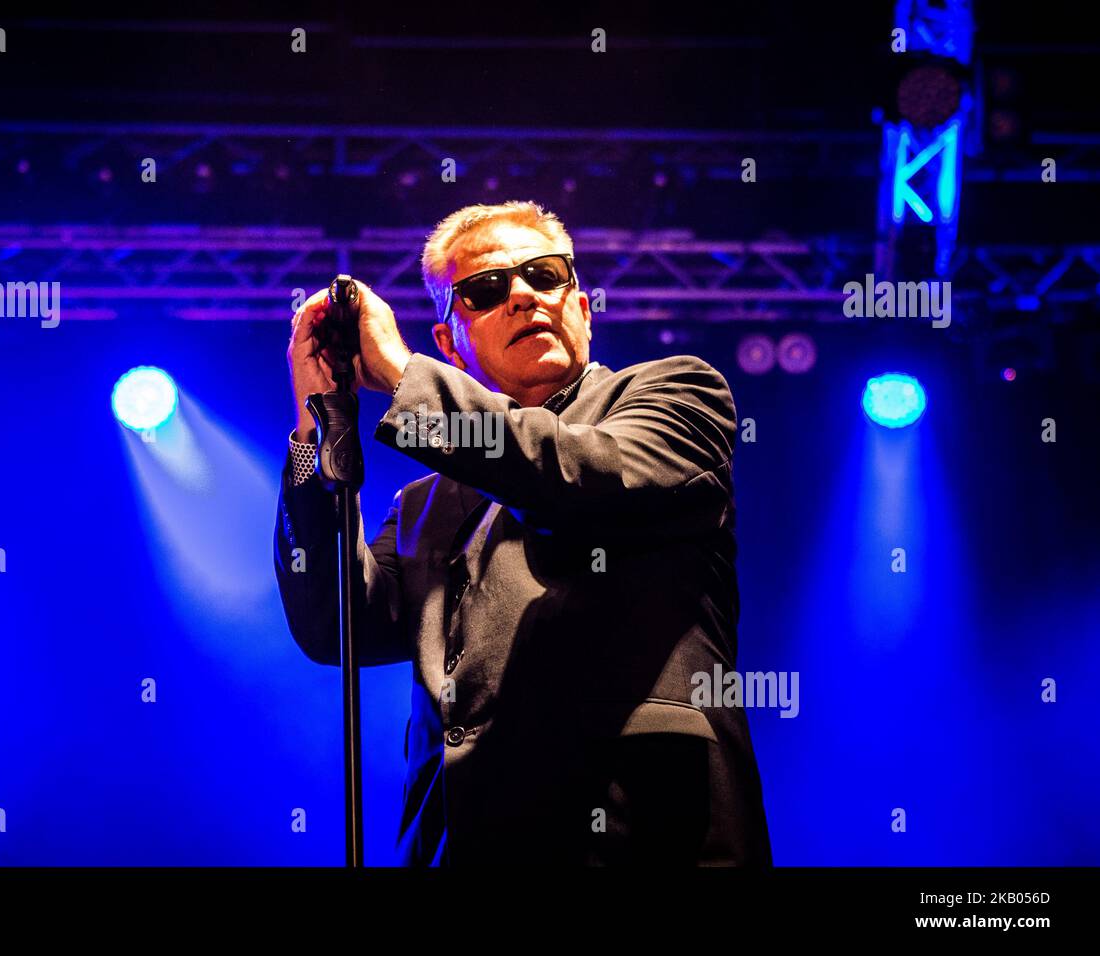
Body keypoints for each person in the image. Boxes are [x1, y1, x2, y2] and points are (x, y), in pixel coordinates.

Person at [275, 200, 772, 866]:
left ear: (583, 307)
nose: (523, 296)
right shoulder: (423, 502)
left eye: (545, 276)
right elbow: (332, 624)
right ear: (450, 341)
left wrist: (401, 373)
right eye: (485, 290)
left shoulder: (676, 395)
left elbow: (577, 477)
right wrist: (314, 428)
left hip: (642, 833)